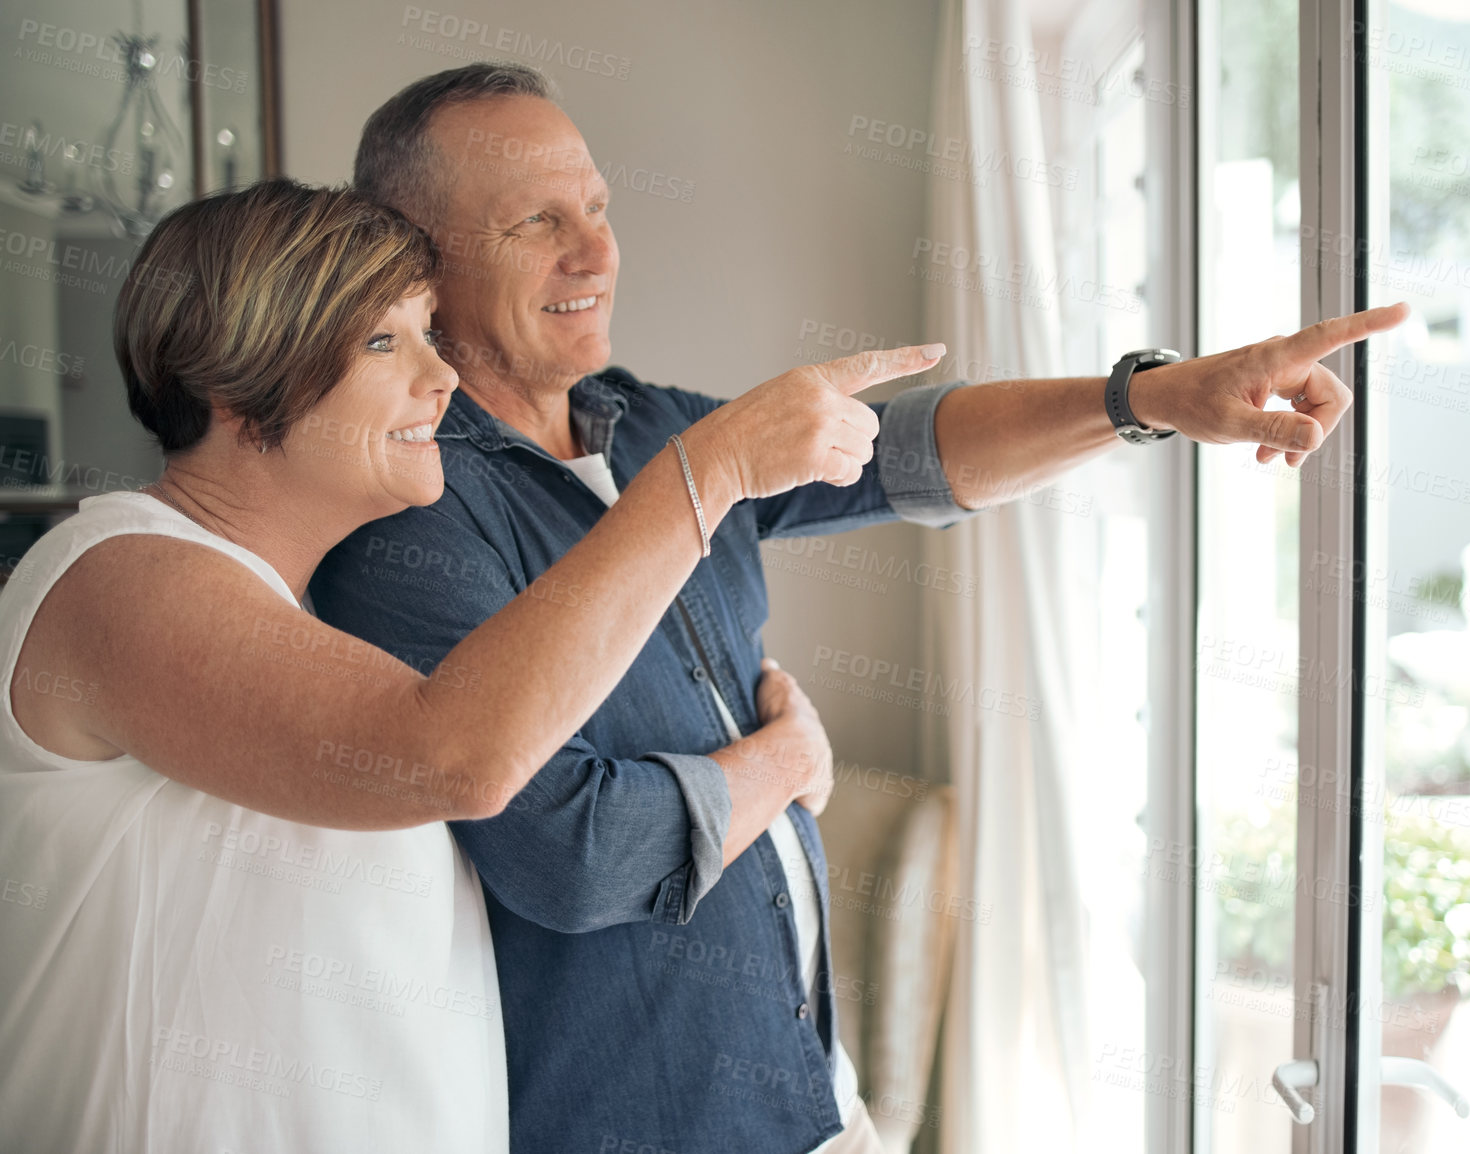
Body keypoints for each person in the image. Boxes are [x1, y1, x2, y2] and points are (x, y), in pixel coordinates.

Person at [312, 63, 1409, 1154]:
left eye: (596, 207)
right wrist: (785, 761)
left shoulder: (642, 428)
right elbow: (574, 851)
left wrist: (1148, 399)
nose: (595, 252)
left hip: (812, 1104)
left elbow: (903, 455)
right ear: (413, 263)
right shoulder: (409, 520)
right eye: (535, 222)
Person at [0, 178, 935, 1152]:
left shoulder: (331, 621)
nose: (440, 379)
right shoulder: (112, 573)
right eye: (382, 341)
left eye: (429, 333)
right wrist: (711, 472)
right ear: (238, 386)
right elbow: (451, 752)